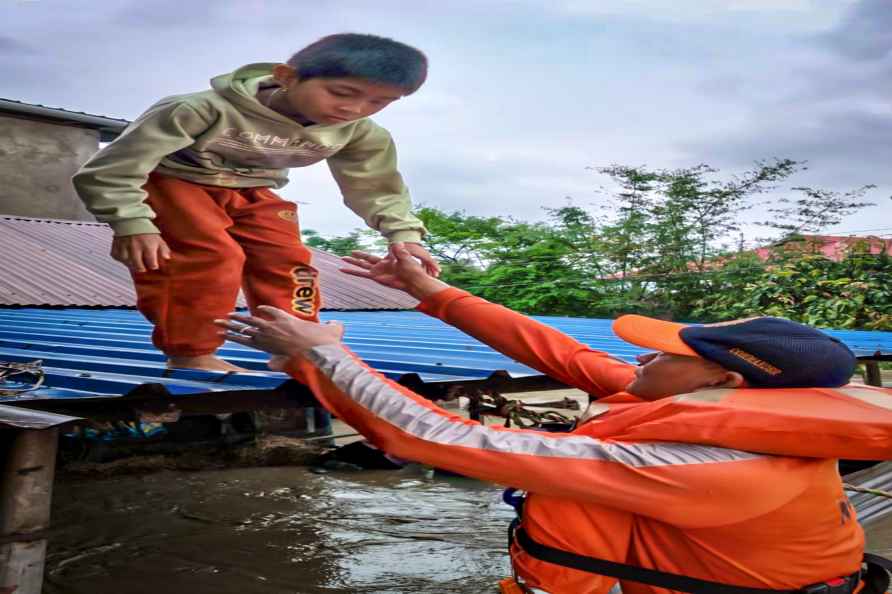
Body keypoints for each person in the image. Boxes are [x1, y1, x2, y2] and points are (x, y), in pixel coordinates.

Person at [215, 244, 892, 594]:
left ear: (727, 378)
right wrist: (430, 291)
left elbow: (438, 436)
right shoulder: (702, 403)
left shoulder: (710, 465)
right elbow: (556, 350)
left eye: (666, 349)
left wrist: (323, 356)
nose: (639, 353)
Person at [73, 33, 438, 371]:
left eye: (380, 102)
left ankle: (295, 345)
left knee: (288, 260)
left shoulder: (360, 133)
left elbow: (376, 186)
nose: (355, 108)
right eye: (342, 92)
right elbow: (109, 169)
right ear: (287, 76)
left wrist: (403, 236)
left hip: (253, 190)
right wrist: (132, 223)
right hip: (173, 181)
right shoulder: (197, 109)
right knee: (210, 256)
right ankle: (191, 352)